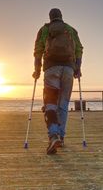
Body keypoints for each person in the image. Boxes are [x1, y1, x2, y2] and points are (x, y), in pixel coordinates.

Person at [32, 8, 83, 154]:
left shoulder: (44, 30)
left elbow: (38, 51)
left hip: (51, 69)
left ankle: (53, 135)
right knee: (63, 104)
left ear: (50, 18)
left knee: (50, 103)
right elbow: (79, 49)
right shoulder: (71, 29)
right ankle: (61, 135)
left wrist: (37, 69)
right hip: (68, 69)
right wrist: (77, 68)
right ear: (61, 16)